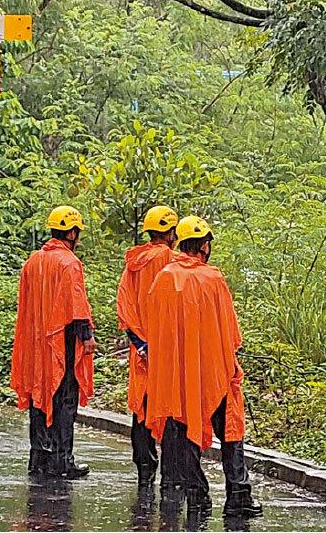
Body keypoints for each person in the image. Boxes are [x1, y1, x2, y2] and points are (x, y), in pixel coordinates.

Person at [144, 216, 261, 519]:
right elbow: (231, 333)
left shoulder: (164, 279)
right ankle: (238, 494)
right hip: (216, 373)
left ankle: (197, 495)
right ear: (205, 245)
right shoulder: (213, 278)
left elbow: (156, 331)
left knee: (183, 430)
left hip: (180, 375)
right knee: (231, 431)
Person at [10, 205, 96, 479]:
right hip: (62, 343)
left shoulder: (33, 261)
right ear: (71, 232)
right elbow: (77, 306)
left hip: (37, 345)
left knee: (39, 394)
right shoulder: (69, 263)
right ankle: (62, 461)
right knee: (64, 399)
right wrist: (87, 337)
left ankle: (39, 458)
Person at [116, 204, 178, 487]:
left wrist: (140, 343)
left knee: (141, 405)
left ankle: (144, 466)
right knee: (168, 406)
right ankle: (170, 473)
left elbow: (124, 307)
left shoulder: (133, 263)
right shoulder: (170, 259)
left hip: (140, 348)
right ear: (171, 233)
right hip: (166, 348)